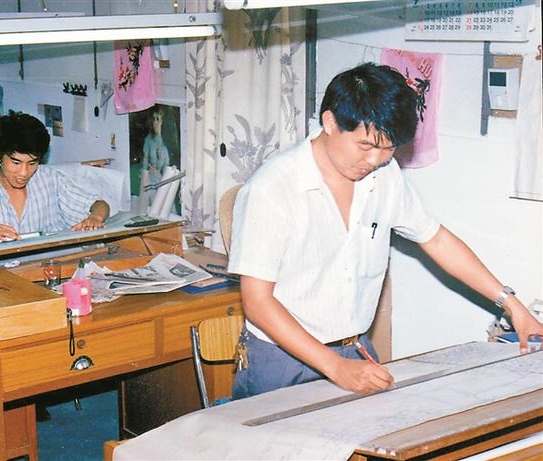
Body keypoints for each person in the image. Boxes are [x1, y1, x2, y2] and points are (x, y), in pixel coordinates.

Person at [227, 63, 543, 400]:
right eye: (365, 146)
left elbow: (436, 239)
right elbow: (258, 301)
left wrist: (512, 305)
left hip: (354, 349)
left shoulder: (384, 176)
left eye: (388, 148)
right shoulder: (272, 189)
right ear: (330, 123)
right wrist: (335, 367)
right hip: (281, 358)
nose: (375, 159)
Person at [0, 112, 109, 247]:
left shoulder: (50, 180)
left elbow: (100, 204)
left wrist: (95, 217)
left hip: (48, 269)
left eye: (32, 163)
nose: (24, 173)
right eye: (16, 163)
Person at [141, 107, 171, 193]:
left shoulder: (166, 141)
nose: (155, 122)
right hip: (151, 179)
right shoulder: (149, 139)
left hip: (162, 180)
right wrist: (145, 173)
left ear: (162, 121)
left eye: (158, 119)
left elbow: (166, 165)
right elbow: (145, 159)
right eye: (154, 119)